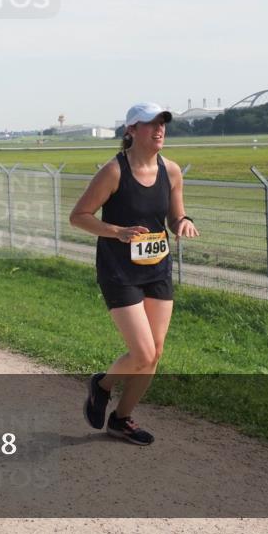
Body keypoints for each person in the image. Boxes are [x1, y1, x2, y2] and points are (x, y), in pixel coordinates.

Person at [69, 102, 199, 445]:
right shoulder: (114, 171)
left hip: (157, 269)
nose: (159, 130)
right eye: (150, 124)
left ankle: (121, 419)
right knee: (141, 353)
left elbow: (174, 217)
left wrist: (183, 222)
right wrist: (117, 231)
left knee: (154, 353)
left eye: (163, 124)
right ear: (131, 131)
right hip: (118, 271)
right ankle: (102, 385)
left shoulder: (171, 171)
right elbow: (79, 216)